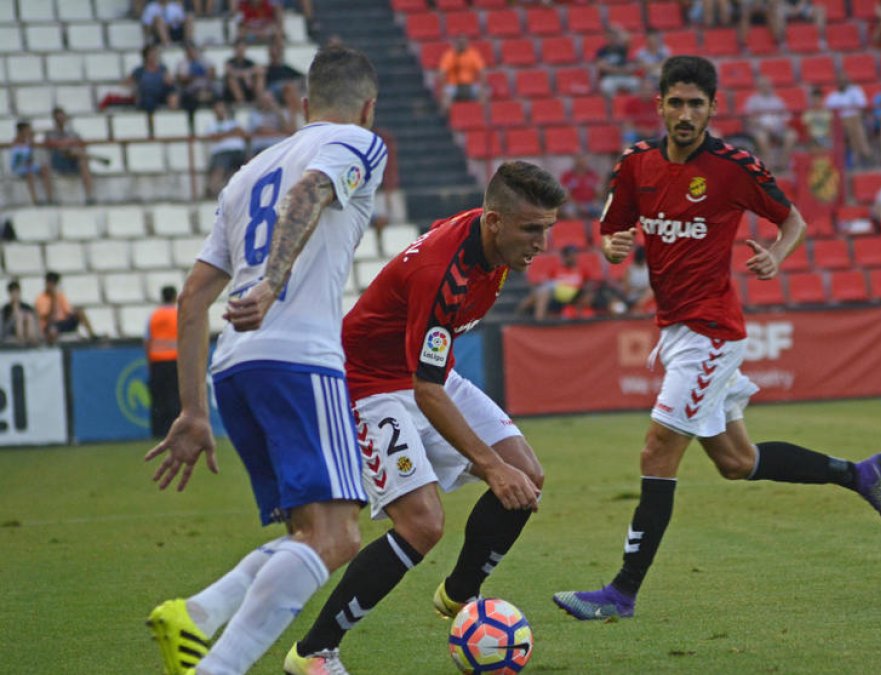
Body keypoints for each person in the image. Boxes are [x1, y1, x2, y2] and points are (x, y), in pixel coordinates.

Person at [552, 56, 881, 622]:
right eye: (676, 102)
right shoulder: (635, 164)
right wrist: (611, 247)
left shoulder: (734, 167)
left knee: (657, 449)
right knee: (737, 461)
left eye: (696, 104)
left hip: (711, 333)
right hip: (676, 330)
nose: (685, 114)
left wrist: (777, 256)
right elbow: (612, 229)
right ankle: (861, 474)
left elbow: (793, 220)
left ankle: (621, 593)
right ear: (660, 105)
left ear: (713, 108)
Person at [143, 45, 386, 675]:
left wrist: (193, 410)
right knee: (337, 537)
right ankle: (215, 666)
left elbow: (192, 298)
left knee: (306, 538)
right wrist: (274, 284)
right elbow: (310, 190)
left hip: (234, 368)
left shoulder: (246, 173)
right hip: (300, 359)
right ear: (368, 107)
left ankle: (198, 615)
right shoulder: (359, 142)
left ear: (303, 105)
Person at [283, 162, 562, 673]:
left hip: (429, 375)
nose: (541, 244)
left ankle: (459, 595)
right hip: (368, 386)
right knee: (422, 524)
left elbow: (432, 379)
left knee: (528, 475)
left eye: (547, 228)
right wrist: (490, 467)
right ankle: (313, 653)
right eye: (531, 230)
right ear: (494, 221)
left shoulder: (493, 246)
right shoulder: (442, 274)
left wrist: (502, 467)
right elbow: (426, 390)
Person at [146, 285, 181, 439]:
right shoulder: (178, 314)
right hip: (175, 361)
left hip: (157, 361)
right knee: (175, 397)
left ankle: (158, 432)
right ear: (175, 296)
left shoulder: (154, 315)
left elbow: (147, 340)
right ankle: (177, 430)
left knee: (158, 399)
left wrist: (149, 362)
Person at [744, 77, 798, 172]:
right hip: (760, 128)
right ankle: (769, 165)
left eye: (768, 85)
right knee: (761, 137)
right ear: (759, 87)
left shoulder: (777, 100)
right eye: (763, 85)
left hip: (778, 128)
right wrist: (762, 125)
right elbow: (749, 119)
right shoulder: (753, 100)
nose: (766, 87)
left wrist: (781, 124)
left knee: (792, 135)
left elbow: (785, 116)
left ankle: (783, 164)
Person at [824, 74, 873, 166]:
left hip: (857, 119)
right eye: (840, 81)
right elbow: (828, 112)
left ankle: (858, 156)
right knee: (853, 126)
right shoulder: (833, 96)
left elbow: (862, 105)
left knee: (854, 123)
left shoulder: (855, 91)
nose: (842, 83)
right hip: (839, 123)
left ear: (848, 81)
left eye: (844, 80)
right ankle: (865, 153)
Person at [35, 271, 97, 343]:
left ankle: (92, 335)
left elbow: (68, 312)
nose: (52, 285)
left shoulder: (60, 296)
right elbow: (48, 317)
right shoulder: (41, 298)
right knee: (52, 330)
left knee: (79, 311)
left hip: (62, 323)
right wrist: (53, 300)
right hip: (50, 324)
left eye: (54, 283)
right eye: (50, 282)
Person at [205, 100, 249, 198]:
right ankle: (212, 192)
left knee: (249, 165)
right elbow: (214, 137)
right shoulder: (212, 124)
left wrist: (224, 135)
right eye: (218, 108)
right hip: (221, 152)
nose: (221, 110)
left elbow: (244, 134)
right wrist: (232, 132)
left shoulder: (235, 122)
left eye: (222, 108)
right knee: (219, 168)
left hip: (238, 152)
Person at [10, 121, 54, 205]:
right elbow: (18, 159)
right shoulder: (15, 142)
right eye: (27, 129)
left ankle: (50, 198)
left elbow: (30, 157)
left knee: (45, 169)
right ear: (22, 130)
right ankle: (35, 200)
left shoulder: (28, 142)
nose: (29, 131)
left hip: (28, 165)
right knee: (29, 173)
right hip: (19, 167)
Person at [129, 44, 180, 113]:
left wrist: (169, 80)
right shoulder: (139, 70)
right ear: (146, 56)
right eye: (151, 54)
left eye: (155, 54)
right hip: (147, 95)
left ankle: (173, 114)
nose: (154, 56)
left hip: (161, 93)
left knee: (173, 94)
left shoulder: (162, 68)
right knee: (148, 102)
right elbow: (128, 83)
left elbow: (170, 81)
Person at [438, 36, 486, 108]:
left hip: (470, 84)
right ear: (456, 43)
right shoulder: (449, 55)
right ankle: (446, 114)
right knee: (445, 97)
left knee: (483, 94)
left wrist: (482, 86)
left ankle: (480, 114)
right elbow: (442, 72)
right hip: (453, 85)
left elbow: (482, 71)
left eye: (464, 43)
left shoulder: (473, 54)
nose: (462, 45)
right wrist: (443, 88)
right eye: (460, 43)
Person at [595, 27, 641, 97]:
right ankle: (612, 104)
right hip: (610, 77)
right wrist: (621, 70)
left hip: (624, 76)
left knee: (636, 83)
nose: (611, 38)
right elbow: (602, 67)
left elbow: (628, 38)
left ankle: (632, 102)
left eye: (613, 36)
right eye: (609, 36)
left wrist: (617, 30)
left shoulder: (622, 48)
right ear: (606, 37)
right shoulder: (602, 51)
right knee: (606, 86)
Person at [247, 90, 292, 157]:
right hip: (261, 144)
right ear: (260, 102)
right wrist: (279, 133)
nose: (267, 103)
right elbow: (261, 131)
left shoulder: (280, 113)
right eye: (264, 101)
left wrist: (280, 114)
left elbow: (288, 130)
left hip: (278, 144)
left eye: (269, 100)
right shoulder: (255, 114)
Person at [176, 43, 219, 113]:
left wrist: (201, 75)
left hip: (206, 88)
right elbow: (182, 78)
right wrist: (194, 77)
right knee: (188, 99)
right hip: (191, 90)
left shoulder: (203, 60)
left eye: (193, 50)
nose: (191, 53)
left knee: (217, 95)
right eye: (189, 51)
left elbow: (212, 73)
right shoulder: (183, 63)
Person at [621, 77, 662, 146]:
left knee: (666, 134)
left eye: (650, 90)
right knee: (629, 135)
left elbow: (663, 121)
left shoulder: (658, 102)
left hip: (655, 132)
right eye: (645, 90)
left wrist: (653, 130)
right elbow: (627, 124)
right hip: (637, 132)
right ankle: (627, 153)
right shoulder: (631, 103)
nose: (648, 92)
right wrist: (643, 131)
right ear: (640, 90)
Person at [559, 155, 602, 220]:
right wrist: (578, 205)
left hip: (591, 203)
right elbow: (566, 194)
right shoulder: (567, 175)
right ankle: (577, 226)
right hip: (574, 203)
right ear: (575, 162)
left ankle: (595, 226)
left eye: (583, 162)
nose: (581, 164)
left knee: (603, 210)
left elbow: (598, 192)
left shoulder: (593, 175)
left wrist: (594, 202)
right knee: (568, 211)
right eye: (579, 161)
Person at [2, 280, 41, 346]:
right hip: (11, 332)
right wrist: (14, 315)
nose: (15, 295)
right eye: (12, 293)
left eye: (16, 292)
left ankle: (31, 339)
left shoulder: (27, 307)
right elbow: (4, 328)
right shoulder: (6, 309)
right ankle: (21, 339)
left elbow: (34, 320)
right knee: (19, 315)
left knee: (29, 316)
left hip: (27, 330)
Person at [225, 39, 260, 105]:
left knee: (259, 77)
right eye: (239, 48)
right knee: (231, 79)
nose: (240, 51)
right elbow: (229, 71)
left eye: (242, 48)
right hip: (234, 89)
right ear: (235, 49)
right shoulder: (230, 62)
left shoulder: (250, 62)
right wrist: (244, 74)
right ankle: (241, 102)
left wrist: (247, 74)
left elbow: (258, 69)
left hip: (248, 85)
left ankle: (259, 100)